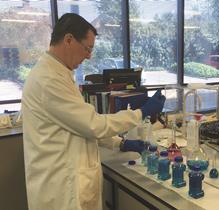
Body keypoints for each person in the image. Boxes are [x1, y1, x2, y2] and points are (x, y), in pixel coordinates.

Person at [22, 13, 165, 210]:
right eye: (87, 48)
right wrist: (141, 112)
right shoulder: (48, 80)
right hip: (61, 190)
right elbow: (94, 125)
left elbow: (79, 126)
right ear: (69, 40)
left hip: (67, 181)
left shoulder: (59, 73)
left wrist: (121, 143)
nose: (89, 56)